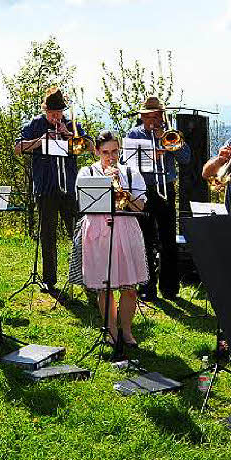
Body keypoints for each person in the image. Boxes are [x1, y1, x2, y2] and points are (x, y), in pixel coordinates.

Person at [14, 87, 88, 295]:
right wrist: (40, 141)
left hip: (70, 189)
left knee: (77, 232)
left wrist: (68, 135)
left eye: (59, 112)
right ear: (45, 111)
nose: (56, 117)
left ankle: (81, 276)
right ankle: (49, 279)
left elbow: (89, 147)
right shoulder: (36, 125)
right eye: (52, 113)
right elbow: (18, 148)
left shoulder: (72, 125)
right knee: (48, 235)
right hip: (46, 189)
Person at [79, 131, 149, 346]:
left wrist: (123, 190)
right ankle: (110, 331)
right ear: (98, 152)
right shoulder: (87, 172)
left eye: (115, 152)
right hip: (99, 229)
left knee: (129, 286)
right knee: (105, 285)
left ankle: (126, 331)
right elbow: (84, 204)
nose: (111, 157)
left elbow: (141, 206)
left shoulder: (130, 172)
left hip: (126, 227)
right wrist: (104, 184)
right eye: (106, 152)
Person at [126, 96, 191, 301]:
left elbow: (186, 158)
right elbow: (125, 162)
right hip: (142, 190)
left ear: (162, 116)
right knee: (144, 239)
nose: (153, 121)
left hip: (166, 189)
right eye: (148, 117)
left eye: (156, 117)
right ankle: (147, 286)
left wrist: (171, 142)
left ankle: (170, 287)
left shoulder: (170, 133)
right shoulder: (134, 134)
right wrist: (149, 155)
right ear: (142, 117)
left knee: (168, 240)